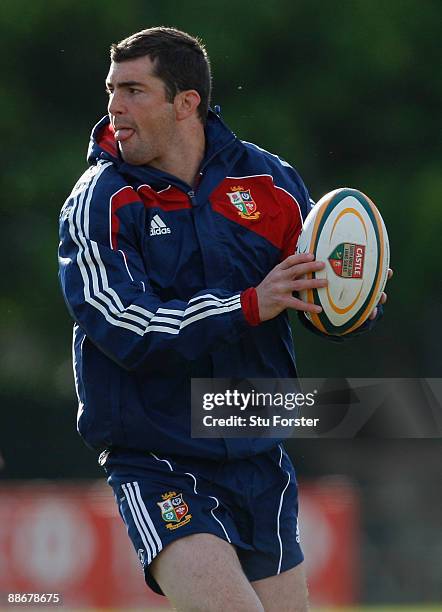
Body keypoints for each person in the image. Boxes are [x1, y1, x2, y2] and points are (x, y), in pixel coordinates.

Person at [58, 27, 390, 611]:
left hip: (258, 452)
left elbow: (314, 288)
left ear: (185, 102)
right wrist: (247, 304)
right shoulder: (100, 200)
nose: (115, 106)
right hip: (158, 456)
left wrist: (353, 301)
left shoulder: (270, 184)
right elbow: (124, 326)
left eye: (134, 90)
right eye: (111, 89)